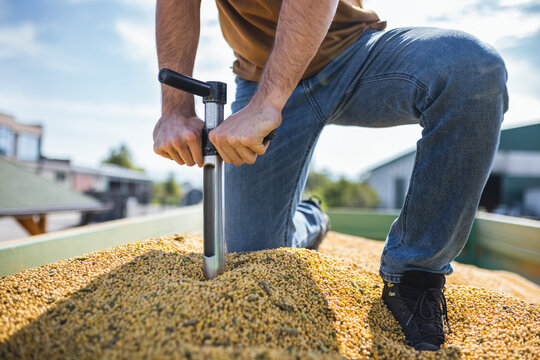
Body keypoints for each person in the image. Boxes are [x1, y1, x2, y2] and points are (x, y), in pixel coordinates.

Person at [153, 0, 508, 351]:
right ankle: (312, 218)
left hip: (352, 55)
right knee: (253, 255)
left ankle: (416, 274)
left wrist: (268, 103)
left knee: (473, 69)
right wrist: (175, 107)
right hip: (257, 74)